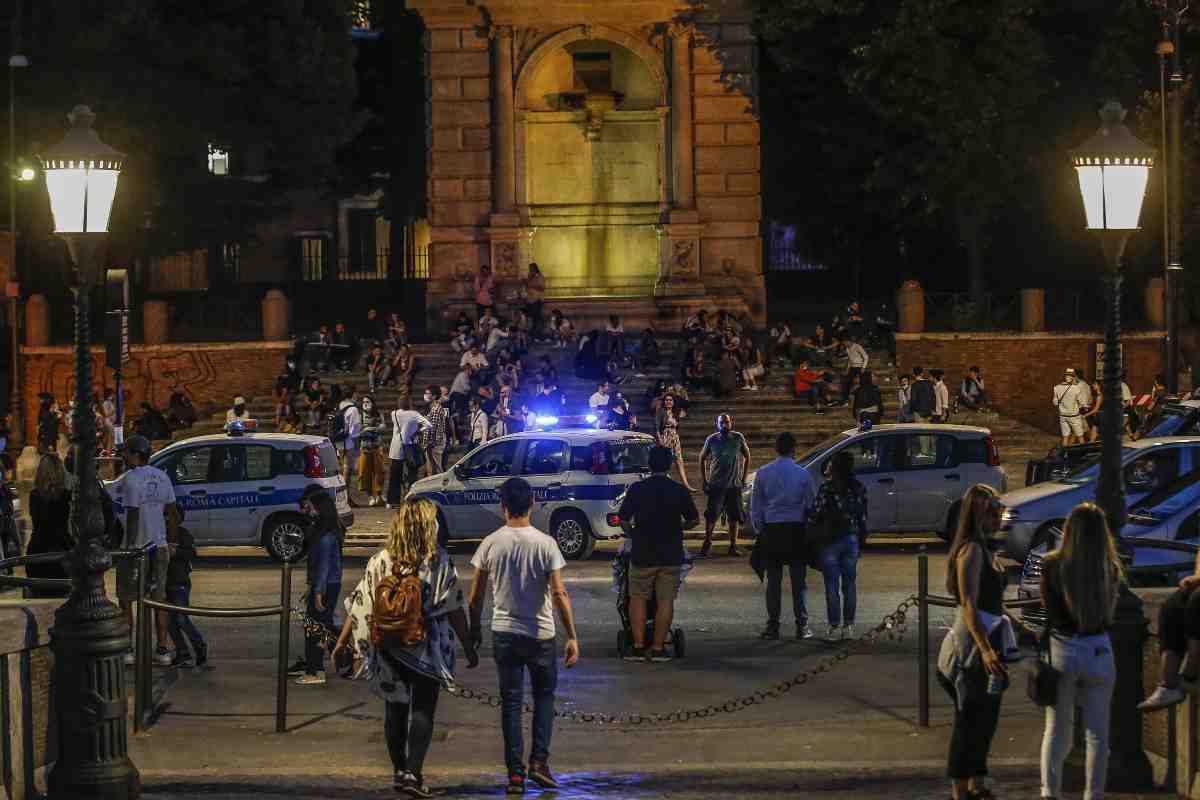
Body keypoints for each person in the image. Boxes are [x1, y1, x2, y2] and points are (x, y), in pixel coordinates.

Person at [331, 498, 477, 798]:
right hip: (426, 647)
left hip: (387, 646)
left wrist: (342, 642)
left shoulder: (380, 560)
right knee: (423, 709)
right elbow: (454, 608)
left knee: (394, 709)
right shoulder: (437, 560)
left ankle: (399, 771)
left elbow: (361, 603)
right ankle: (414, 773)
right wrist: (469, 645)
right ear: (428, 526)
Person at [468, 478, 580, 795]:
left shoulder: (490, 543)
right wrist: (571, 635)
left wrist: (473, 631)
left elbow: (475, 597)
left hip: (504, 633)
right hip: (540, 634)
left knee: (511, 704)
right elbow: (559, 592)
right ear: (531, 504)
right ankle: (539, 762)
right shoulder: (546, 544)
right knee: (544, 699)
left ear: (503, 506)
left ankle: (515, 775)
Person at [1038, 502, 1123, 800]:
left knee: (1056, 729)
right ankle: (1093, 794)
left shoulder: (1051, 565)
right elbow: (1110, 613)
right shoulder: (1109, 568)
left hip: (1062, 648)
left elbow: (1048, 611)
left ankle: (1050, 792)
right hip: (1098, 648)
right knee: (1098, 734)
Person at [936, 484, 1009, 800]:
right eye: (993, 511)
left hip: (988, 643)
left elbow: (993, 603)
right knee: (969, 720)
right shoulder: (972, 550)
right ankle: (960, 789)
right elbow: (969, 603)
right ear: (979, 515)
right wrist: (985, 649)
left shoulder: (985, 549)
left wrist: (1019, 628)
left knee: (985, 717)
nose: (999, 517)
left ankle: (977, 782)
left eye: (999, 510)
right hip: (972, 650)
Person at [618, 446, 700, 661]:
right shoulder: (679, 490)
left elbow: (624, 519)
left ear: (649, 464)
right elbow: (694, 519)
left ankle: (636, 647)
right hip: (670, 553)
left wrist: (632, 534)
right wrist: (679, 526)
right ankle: (657, 648)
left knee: (637, 598)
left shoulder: (637, 488)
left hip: (643, 552)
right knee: (665, 600)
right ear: (670, 465)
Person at [110, 435, 179, 666]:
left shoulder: (131, 479)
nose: (123, 456)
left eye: (126, 452)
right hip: (158, 546)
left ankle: (128, 649)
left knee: (127, 599)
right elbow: (172, 512)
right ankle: (162, 649)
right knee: (158, 599)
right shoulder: (162, 477)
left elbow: (132, 515)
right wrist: (172, 541)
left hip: (136, 550)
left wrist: (128, 547)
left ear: (134, 454)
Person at [750, 432, 817, 640]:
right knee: (799, 582)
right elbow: (810, 505)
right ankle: (802, 625)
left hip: (772, 529)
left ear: (776, 448)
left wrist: (760, 529)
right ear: (793, 449)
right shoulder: (803, 474)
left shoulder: (763, 473)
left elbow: (756, 506)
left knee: (773, 581)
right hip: (795, 529)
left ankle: (773, 626)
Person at [812, 451, 868, 641]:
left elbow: (817, 512)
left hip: (830, 540)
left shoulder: (826, 488)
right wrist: (861, 538)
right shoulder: (858, 488)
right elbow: (862, 516)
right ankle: (849, 626)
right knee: (850, 584)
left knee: (831, 585)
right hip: (851, 538)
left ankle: (834, 626)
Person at [293, 487, 344, 686]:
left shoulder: (325, 536)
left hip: (325, 586)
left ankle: (315, 671)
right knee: (322, 626)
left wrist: (318, 592)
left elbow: (323, 566)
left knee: (314, 630)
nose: (308, 511)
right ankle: (344, 658)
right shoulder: (330, 530)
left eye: (310, 507)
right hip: (328, 584)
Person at [699, 414, 750, 558]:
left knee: (734, 516)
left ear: (731, 423)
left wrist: (744, 477)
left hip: (734, 485)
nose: (724, 425)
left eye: (726, 422)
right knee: (711, 516)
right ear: (716, 424)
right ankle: (707, 543)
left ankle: (733, 546)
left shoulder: (738, 438)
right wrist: (704, 480)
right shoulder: (712, 439)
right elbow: (701, 458)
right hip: (716, 484)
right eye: (721, 423)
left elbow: (747, 456)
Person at [25, 453, 73, 598]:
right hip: (61, 551)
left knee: (40, 598)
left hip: (37, 550)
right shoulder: (66, 495)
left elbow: (39, 523)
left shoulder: (34, 495)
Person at [165, 525, 207, 668]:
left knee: (181, 618)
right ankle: (183, 652)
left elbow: (191, 553)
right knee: (170, 621)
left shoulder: (182, 533)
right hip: (166, 583)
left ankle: (198, 645)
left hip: (179, 582)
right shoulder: (158, 532)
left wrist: (175, 551)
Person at [388, 400, 432, 507]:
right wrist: (417, 432)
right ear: (410, 404)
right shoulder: (414, 414)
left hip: (396, 447)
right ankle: (412, 499)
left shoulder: (394, 414)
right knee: (412, 473)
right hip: (410, 446)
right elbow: (429, 425)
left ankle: (392, 501)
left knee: (395, 475)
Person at [655, 395, 697, 492]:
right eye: (666, 400)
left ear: (673, 402)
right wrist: (660, 439)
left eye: (670, 400)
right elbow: (657, 427)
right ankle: (663, 485)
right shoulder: (661, 411)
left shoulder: (676, 412)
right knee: (666, 462)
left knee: (679, 460)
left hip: (674, 436)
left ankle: (686, 485)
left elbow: (684, 412)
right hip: (665, 436)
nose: (668, 402)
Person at [358, 395, 388, 507]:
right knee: (364, 473)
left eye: (367, 401)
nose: (365, 403)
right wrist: (365, 430)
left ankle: (379, 495)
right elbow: (356, 430)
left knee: (379, 472)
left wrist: (376, 428)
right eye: (363, 401)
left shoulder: (378, 414)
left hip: (377, 447)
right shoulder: (360, 415)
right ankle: (370, 496)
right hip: (364, 448)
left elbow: (384, 425)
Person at [1053, 368, 1088, 447]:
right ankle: (1084, 454)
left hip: (1063, 416)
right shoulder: (1076, 388)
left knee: (1065, 437)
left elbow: (1055, 402)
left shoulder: (1057, 387)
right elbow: (1083, 402)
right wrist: (1085, 407)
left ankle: (1064, 455)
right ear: (1073, 377)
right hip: (1074, 416)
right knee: (1080, 436)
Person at [337, 389, 363, 493]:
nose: (357, 395)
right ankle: (345, 496)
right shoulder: (353, 410)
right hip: (349, 443)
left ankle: (344, 495)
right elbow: (354, 431)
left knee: (344, 468)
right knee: (348, 470)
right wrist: (357, 447)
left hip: (339, 441)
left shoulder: (340, 405)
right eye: (356, 393)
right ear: (352, 394)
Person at [424, 389, 453, 477]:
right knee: (433, 467)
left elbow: (438, 426)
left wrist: (430, 442)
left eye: (428, 393)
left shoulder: (440, 408)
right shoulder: (430, 407)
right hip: (434, 441)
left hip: (436, 441)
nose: (426, 395)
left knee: (437, 467)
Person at [841, 337, 869, 402]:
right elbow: (850, 360)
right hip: (852, 367)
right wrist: (847, 369)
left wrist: (863, 367)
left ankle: (864, 398)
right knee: (846, 382)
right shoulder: (847, 349)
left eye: (845, 342)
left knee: (862, 382)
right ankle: (846, 398)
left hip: (860, 366)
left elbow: (866, 357)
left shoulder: (857, 346)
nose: (844, 344)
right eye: (843, 343)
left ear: (849, 341)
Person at [524, 263, 546, 339]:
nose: (530, 271)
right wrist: (528, 280)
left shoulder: (540, 277)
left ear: (535, 269)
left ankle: (537, 335)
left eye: (532, 269)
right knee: (530, 318)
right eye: (530, 269)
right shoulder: (529, 277)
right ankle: (532, 335)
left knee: (536, 318)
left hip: (536, 300)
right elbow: (526, 285)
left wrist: (532, 284)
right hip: (529, 300)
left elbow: (542, 287)